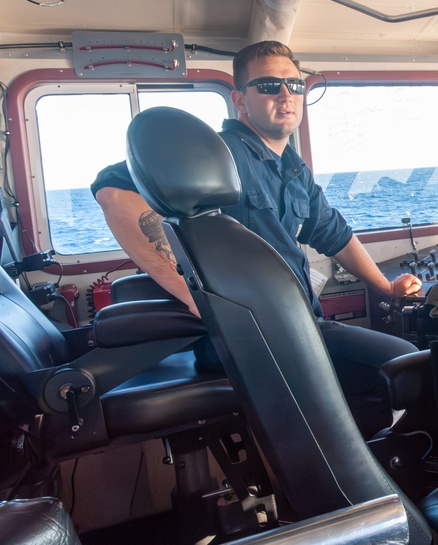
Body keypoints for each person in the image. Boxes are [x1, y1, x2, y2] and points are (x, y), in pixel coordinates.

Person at [92, 40, 421, 439]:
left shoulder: (293, 168)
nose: (285, 95)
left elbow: (334, 234)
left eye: (294, 85)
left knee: (381, 380)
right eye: (268, 85)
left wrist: (387, 287)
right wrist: (195, 297)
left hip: (297, 323)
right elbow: (114, 193)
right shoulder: (221, 153)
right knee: (401, 364)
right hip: (250, 335)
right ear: (240, 100)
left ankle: (359, 464)